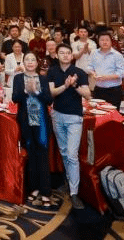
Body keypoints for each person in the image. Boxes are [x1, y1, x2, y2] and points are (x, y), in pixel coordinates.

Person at [48, 43, 91, 210]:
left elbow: (88, 95)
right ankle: (69, 181)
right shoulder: (52, 71)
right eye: (62, 53)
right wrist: (65, 86)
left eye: (68, 53)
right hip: (57, 116)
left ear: (72, 55)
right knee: (64, 152)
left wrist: (75, 86)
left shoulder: (79, 72)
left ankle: (74, 192)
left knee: (72, 155)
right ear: (57, 55)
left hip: (74, 117)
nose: (65, 55)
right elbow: (51, 93)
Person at [12, 52, 53, 207]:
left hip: (41, 122)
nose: (30, 62)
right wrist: (25, 91)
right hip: (26, 121)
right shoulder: (18, 78)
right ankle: (34, 188)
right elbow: (15, 98)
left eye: (33, 59)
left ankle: (46, 192)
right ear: (23, 63)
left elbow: (49, 100)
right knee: (31, 154)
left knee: (43, 154)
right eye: (27, 60)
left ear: (37, 63)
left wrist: (36, 92)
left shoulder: (43, 79)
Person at [87, 31, 124, 109]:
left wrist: (107, 77)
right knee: (98, 111)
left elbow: (122, 72)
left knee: (113, 112)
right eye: (102, 40)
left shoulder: (117, 55)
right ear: (98, 41)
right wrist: (93, 74)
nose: (104, 42)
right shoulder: (94, 53)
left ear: (111, 41)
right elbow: (89, 67)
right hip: (98, 88)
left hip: (114, 89)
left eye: (107, 40)